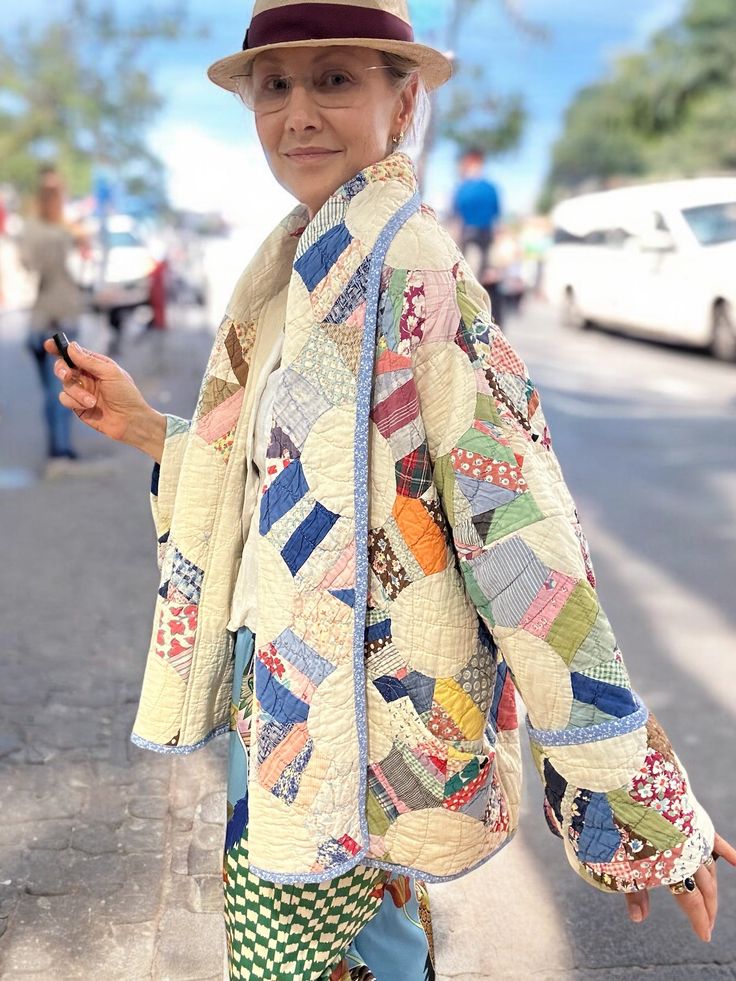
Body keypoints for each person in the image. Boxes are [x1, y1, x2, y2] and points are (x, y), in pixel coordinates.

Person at [44, 1, 735, 978]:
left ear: (402, 101)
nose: (298, 114)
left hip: (361, 734)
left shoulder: (411, 265)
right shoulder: (292, 264)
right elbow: (285, 481)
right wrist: (149, 428)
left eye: (336, 80)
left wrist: (630, 796)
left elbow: (520, 534)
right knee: (328, 953)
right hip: (282, 706)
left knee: (338, 957)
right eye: (274, 86)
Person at [20, 168, 85, 475]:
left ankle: (60, 448)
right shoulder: (49, 231)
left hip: (48, 319)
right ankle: (60, 451)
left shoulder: (55, 228)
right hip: (53, 320)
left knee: (56, 386)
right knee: (58, 388)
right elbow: (37, 267)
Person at [452, 147, 501, 279]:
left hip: (467, 233)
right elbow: (496, 216)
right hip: (485, 235)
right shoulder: (491, 188)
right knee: (482, 272)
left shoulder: (462, 188)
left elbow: (456, 216)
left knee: (463, 271)